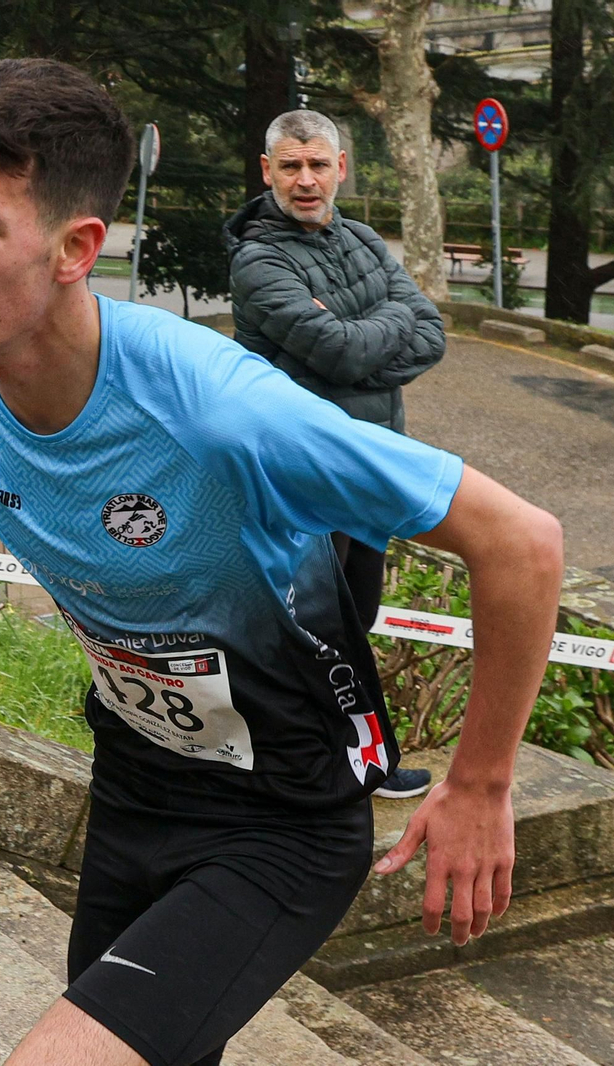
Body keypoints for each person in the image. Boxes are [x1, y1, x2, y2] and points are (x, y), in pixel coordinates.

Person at [0, 58, 562, 1066]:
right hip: (137, 781)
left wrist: (480, 784)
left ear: (75, 247)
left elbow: (522, 542)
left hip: (281, 817)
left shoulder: (217, 406)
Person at [223, 110, 447, 800]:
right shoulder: (260, 258)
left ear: (341, 167)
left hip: (370, 468)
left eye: (318, 164)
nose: (306, 179)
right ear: (268, 172)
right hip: (303, 479)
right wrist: (381, 328)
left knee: (358, 622)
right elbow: (343, 352)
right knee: (305, 639)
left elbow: (432, 332)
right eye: (290, 166)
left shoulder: (362, 239)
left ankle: (358, 766)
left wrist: (357, 334)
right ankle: (307, 776)